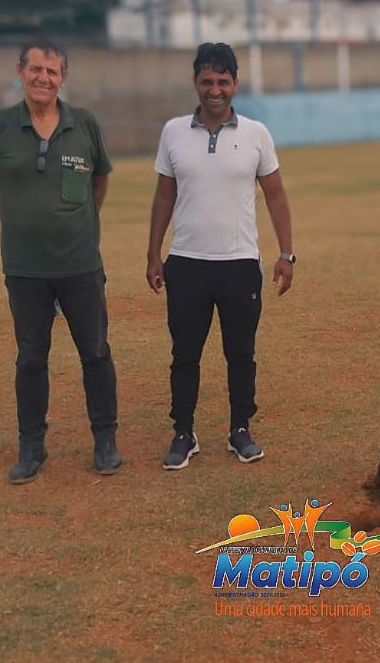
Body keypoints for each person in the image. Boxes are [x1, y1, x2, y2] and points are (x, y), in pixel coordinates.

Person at [0, 39, 121, 484]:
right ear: (20, 72)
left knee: (95, 352)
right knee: (31, 358)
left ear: (63, 79)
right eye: (35, 69)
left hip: (79, 264)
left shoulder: (85, 125)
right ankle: (32, 447)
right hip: (25, 268)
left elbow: (99, 184)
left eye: (52, 71)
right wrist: (24, 224)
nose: (44, 78)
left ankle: (105, 441)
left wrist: (72, 226)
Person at [147, 42, 294, 471]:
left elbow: (277, 197)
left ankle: (240, 429)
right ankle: (183, 432)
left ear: (235, 84)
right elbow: (163, 196)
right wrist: (153, 253)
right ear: (196, 83)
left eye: (223, 81)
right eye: (207, 81)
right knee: (185, 354)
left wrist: (287, 254)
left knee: (241, 353)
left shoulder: (256, 134)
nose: (215, 90)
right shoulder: (173, 131)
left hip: (239, 265)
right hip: (187, 263)